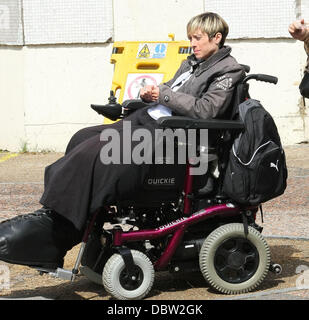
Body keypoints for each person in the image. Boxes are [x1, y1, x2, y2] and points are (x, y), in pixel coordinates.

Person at [0, 12, 245, 269]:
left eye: (197, 38)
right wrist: (151, 95)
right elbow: (169, 94)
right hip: (150, 122)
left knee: (95, 152)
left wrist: (163, 95)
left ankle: (58, 229)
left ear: (217, 37)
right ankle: (60, 217)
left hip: (177, 136)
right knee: (81, 138)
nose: (192, 44)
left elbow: (207, 110)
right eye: (190, 38)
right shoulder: (191, 63)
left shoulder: (228, 70)